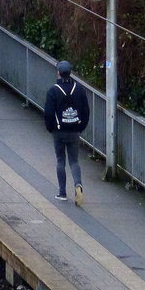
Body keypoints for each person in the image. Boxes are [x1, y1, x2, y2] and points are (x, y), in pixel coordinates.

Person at [44, 60, 90, 205]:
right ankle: (78, 185)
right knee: (74, 161)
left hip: (59, 131)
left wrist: (50, 128)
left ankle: (62, 193)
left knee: (60, 161)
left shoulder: (53, 90)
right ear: (71, 73)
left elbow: (49, 113)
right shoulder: (79, 89)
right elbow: (86, 111)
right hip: (74, 130)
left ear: (58, 73)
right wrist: (80, 127)